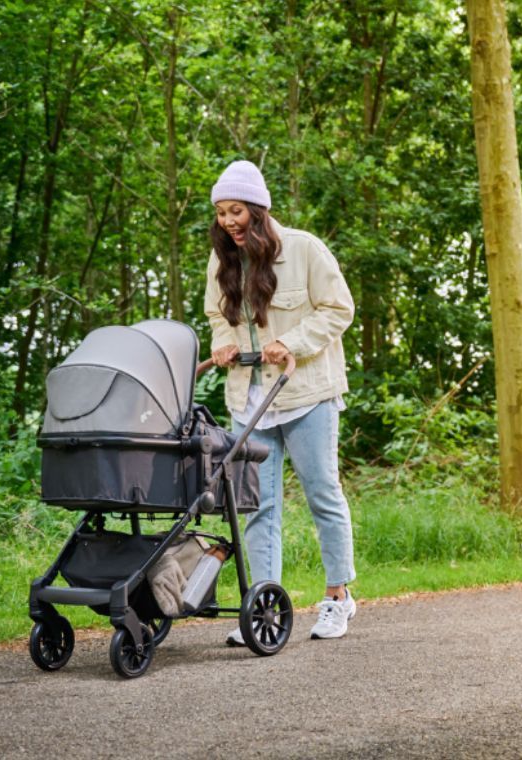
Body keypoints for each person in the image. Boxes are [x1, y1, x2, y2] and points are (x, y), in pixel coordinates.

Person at [203, 160, 358, 641]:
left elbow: (339, 309)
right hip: (250, 398)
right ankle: (264, 605)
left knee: (322, 493)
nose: (228, 221)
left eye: (236, 211)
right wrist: (222, 345)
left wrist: (294, 342)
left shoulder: (305, 249)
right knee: (258, 505)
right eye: (221, 213)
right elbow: (217, 315)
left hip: (306, 394)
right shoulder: (221, 259)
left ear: (258, 209)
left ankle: (338, 597)